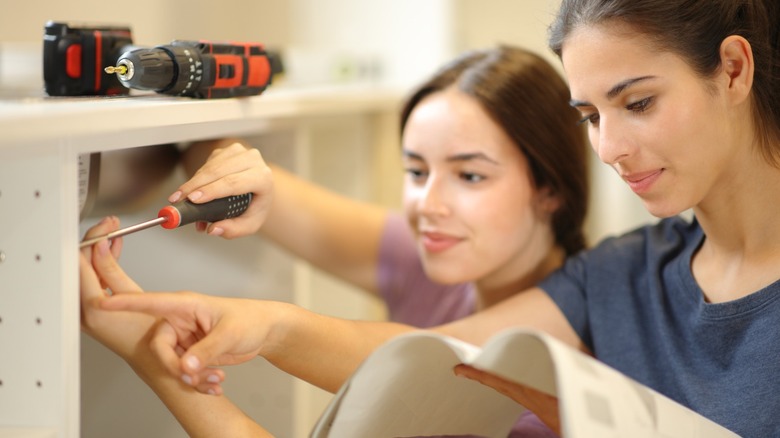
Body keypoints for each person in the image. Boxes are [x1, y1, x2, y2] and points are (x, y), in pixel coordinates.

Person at [84, 0, 780, 435]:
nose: (611, 149)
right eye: (592, 116)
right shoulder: (620, 276)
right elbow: (437, 359)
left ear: (733, 69)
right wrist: (259, 324)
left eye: (639, 102)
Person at [81, 45, 589, 437]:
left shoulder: (568, 378)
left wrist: (151, 353)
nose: (428, 205)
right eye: (416, 170)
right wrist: (248, 175)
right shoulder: (431, 256)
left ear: (550, 189)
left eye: (470, 177)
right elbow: (203, 157)